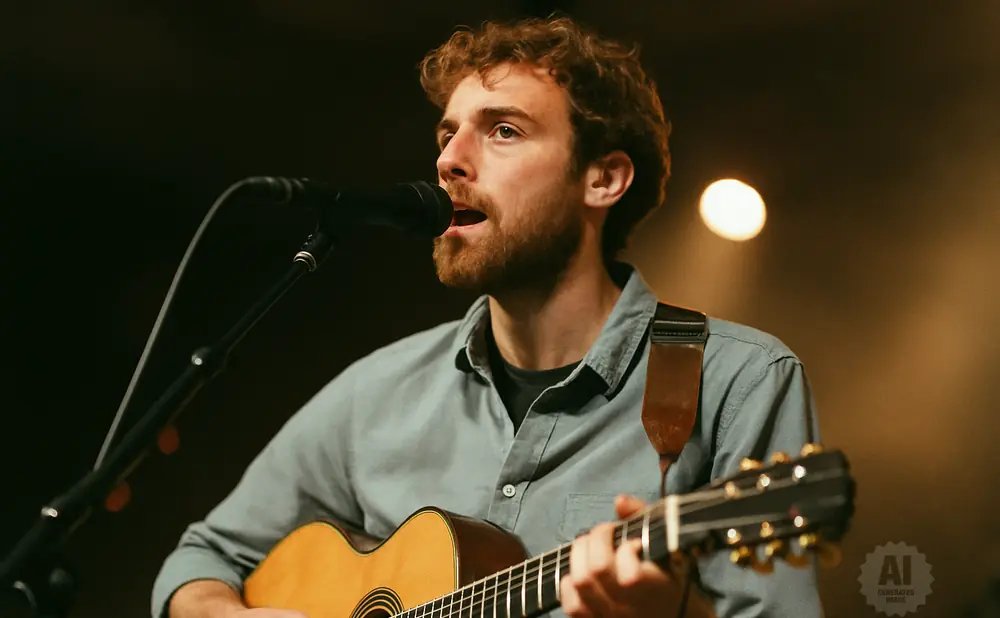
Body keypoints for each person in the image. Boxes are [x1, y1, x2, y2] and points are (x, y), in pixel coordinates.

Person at [151, 15, 824, 618]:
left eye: (502, 130)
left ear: (603, 179)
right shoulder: (377, 391)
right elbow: (202, 557)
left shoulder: (738, 380)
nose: (448, 160)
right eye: (447, 135)